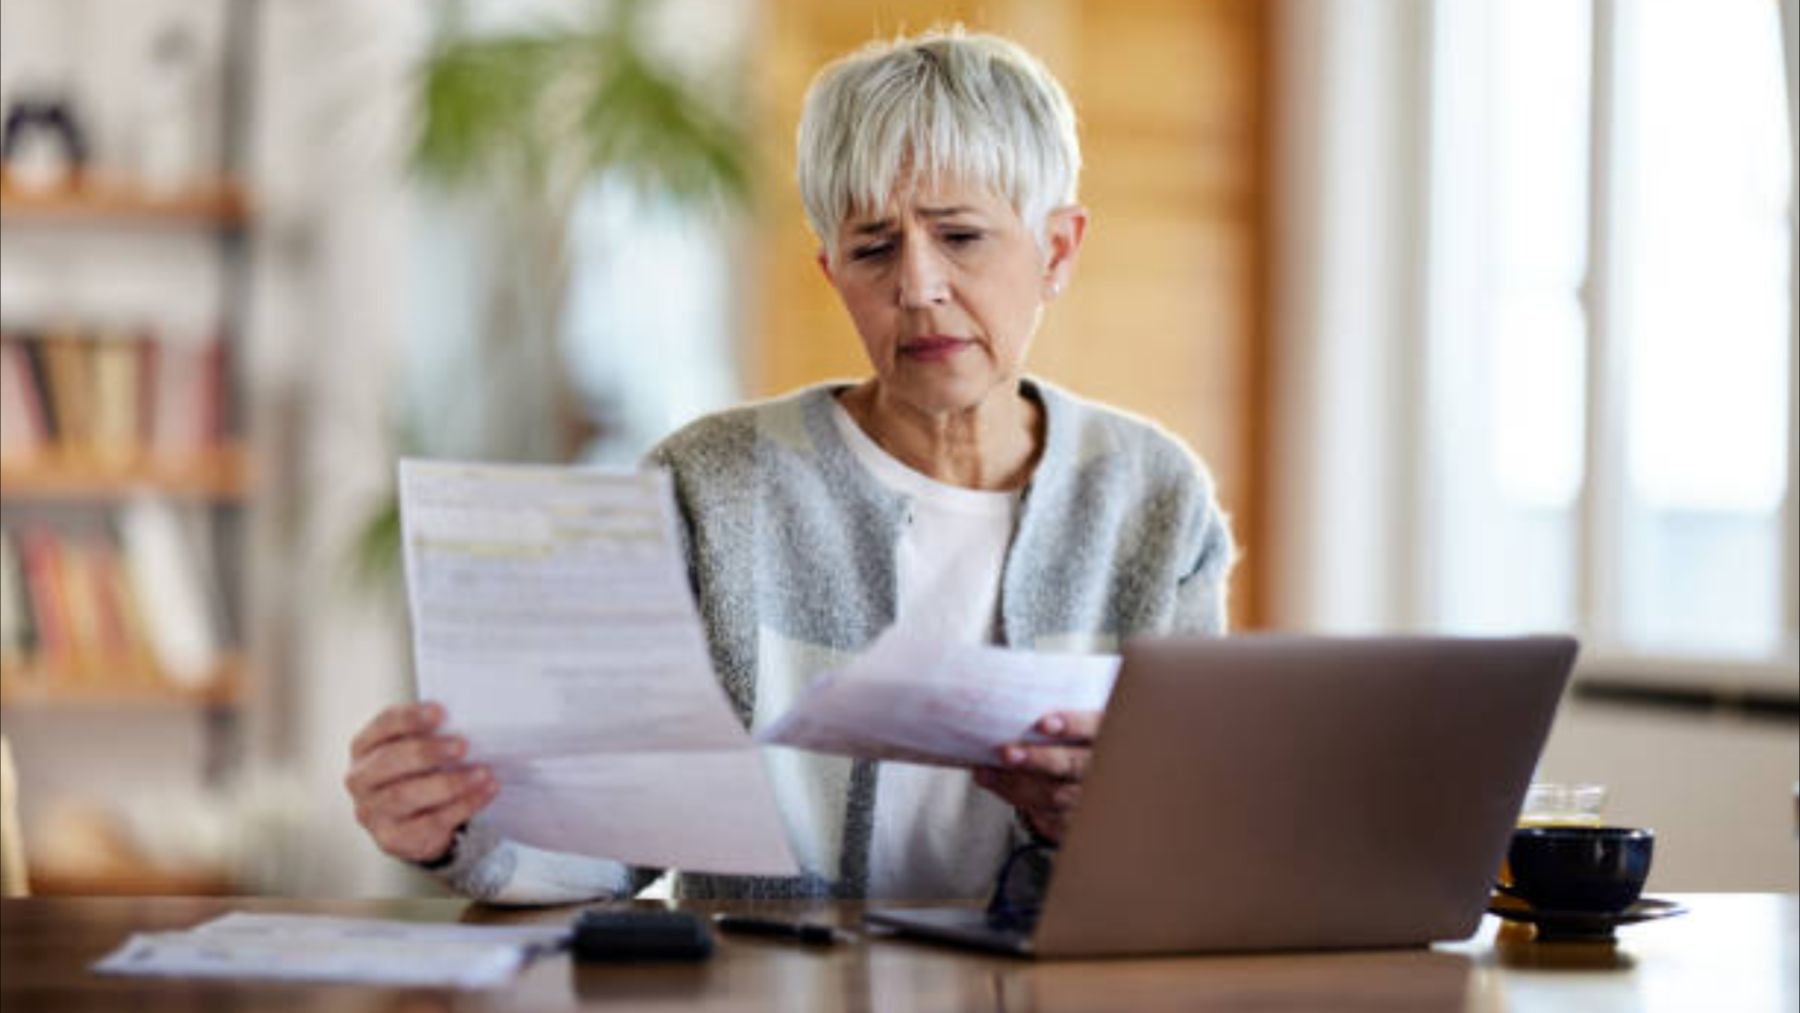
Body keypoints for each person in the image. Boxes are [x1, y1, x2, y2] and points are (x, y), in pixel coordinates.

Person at [345, 26, 1234, 904]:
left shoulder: (1153, 499)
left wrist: (1104, 820)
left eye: (961, 236)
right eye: (873, 248)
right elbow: (608, 833)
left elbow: (1196, 838)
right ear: (832, 270)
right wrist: (459, 826)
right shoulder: (710, 485)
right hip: (770, 977)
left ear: (1058, 250)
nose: (917, 286)